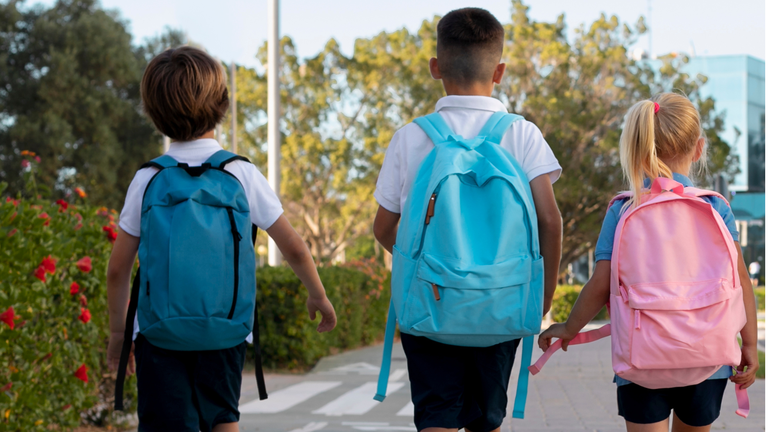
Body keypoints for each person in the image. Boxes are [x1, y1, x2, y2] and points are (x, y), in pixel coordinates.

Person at [105, 46, 337, 432]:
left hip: (158, 334)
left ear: (152, 112)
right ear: (223, 104)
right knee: (223, 416)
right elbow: (293, 245)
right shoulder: (241, 173)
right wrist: (317, 293)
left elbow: (118, 269)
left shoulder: (147, 178)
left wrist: (118, 335)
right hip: (225, 330)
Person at [373, 8, 563, 432]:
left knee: (437, 414)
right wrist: (542, 292)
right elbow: (551, 222)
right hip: (503, 300)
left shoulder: (410, 136)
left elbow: (384, 228)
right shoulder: (521, 134)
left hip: (430, 304)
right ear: (500, 71)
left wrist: (423, 266)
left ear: (435, 68)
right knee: (487, 418)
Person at [538, 93, 759, 432]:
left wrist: (569, 328)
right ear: (699, 149)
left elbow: (601, 283)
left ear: (639, 149)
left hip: (642, 358)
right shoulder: (718, 208)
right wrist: (748, 346)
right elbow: (741, 282)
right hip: (708, 358)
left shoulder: (622, 209)